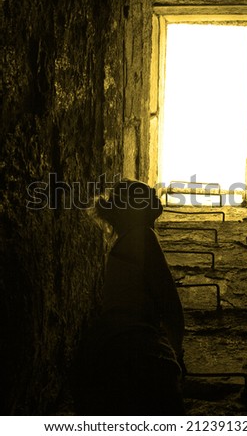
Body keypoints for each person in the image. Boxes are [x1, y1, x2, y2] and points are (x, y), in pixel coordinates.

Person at [72, 178, 185, 416]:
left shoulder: (125, 242)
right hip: (136, 347)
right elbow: (170, 304)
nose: (156, 197)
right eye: (148, 195)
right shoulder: (143, 236)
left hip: (111, 346)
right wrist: (176, 353)